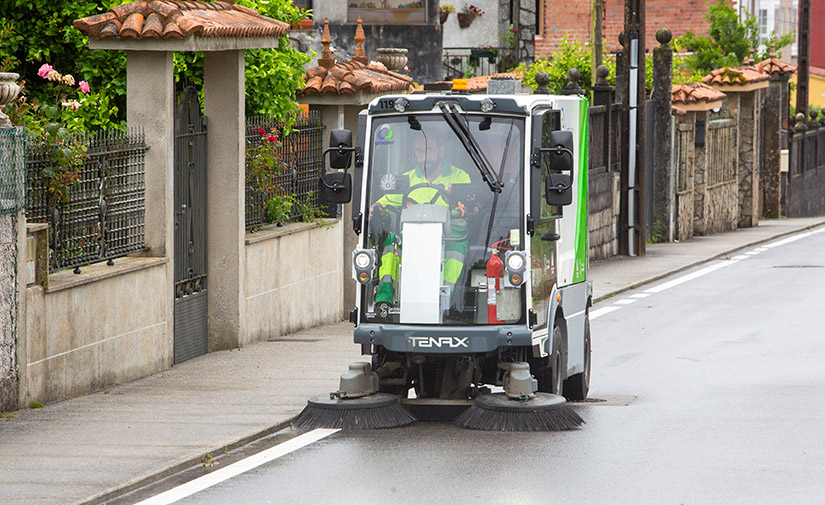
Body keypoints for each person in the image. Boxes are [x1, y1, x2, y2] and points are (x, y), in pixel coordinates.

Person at [369, 133, 472, 308]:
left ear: (441, 151)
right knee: (390, 244)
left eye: (429, 150)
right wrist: (375, 208)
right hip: (413, 238)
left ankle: (445, 301)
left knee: (457, 248)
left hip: (449, 237)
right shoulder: (407, 179)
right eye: (419, 151)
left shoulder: (459, 177)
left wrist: (455, 201)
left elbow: (470, 207)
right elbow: (383, 202)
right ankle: (384, 300)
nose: (424, 156)